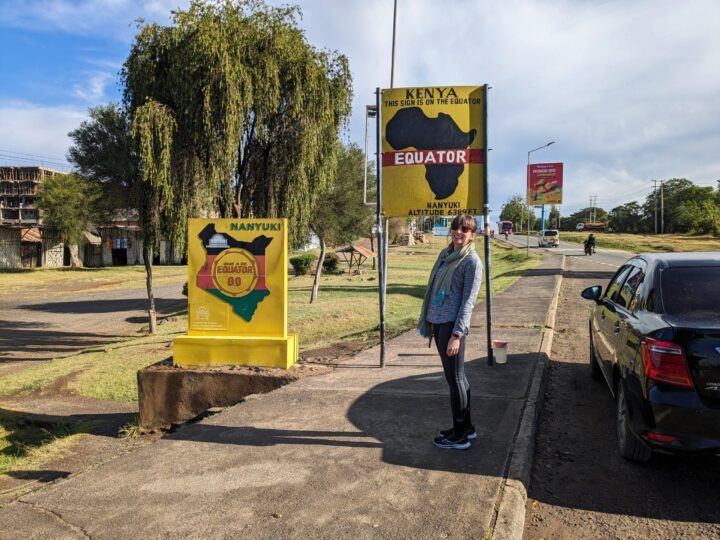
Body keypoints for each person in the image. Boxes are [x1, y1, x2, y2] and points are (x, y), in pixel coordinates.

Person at [417, 213, 483, 450]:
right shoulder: (446, 255)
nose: (458, 232)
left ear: (472, 234)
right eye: (456, 228)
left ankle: (459, 436)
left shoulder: (471, 262)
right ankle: (466, 427)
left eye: (464, 230)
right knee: (456, 377)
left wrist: (457, 334)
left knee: (455, 378)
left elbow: (468, 302)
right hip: (437, 322)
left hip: (451, 326)